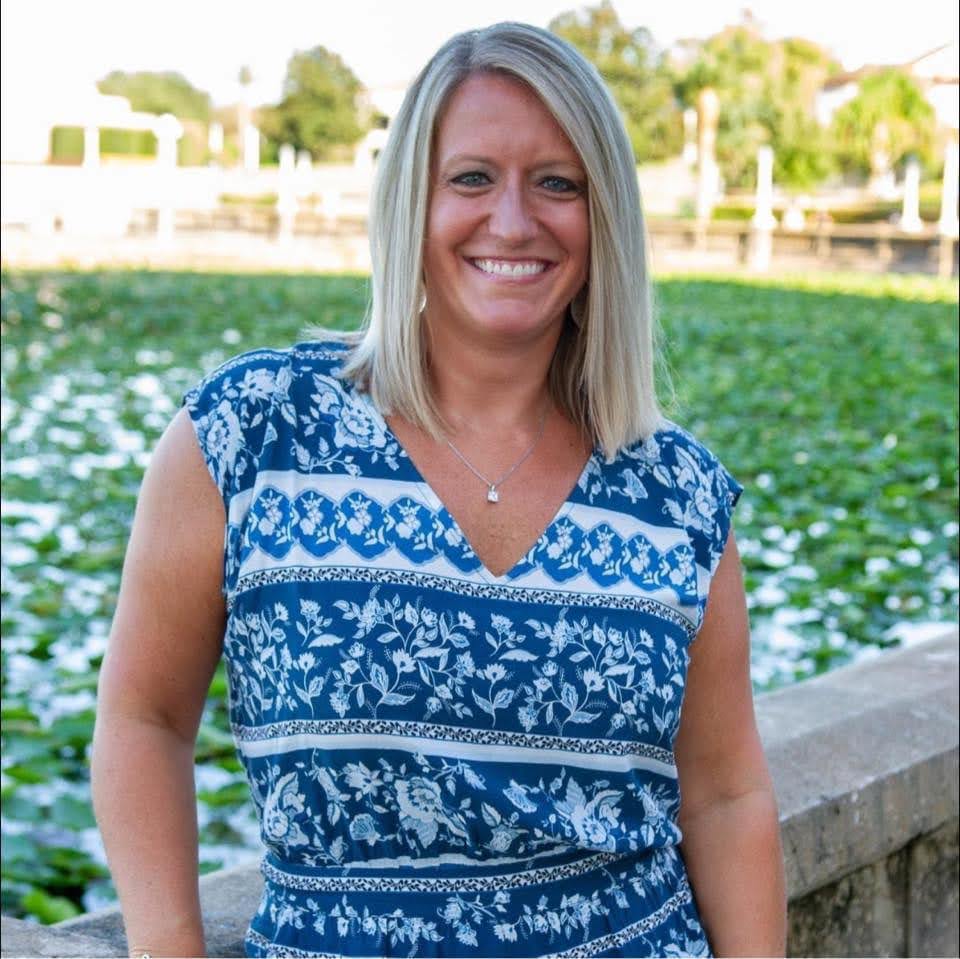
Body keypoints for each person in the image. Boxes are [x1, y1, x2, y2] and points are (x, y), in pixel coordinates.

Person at [92, 21, 786, 959]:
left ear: (604, 219)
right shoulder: (253, 432)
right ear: (410, 204)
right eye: (471, 178)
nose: (513, 220)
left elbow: (725, 790)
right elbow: (144, 717)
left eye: (558, 183)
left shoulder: (676, 495)